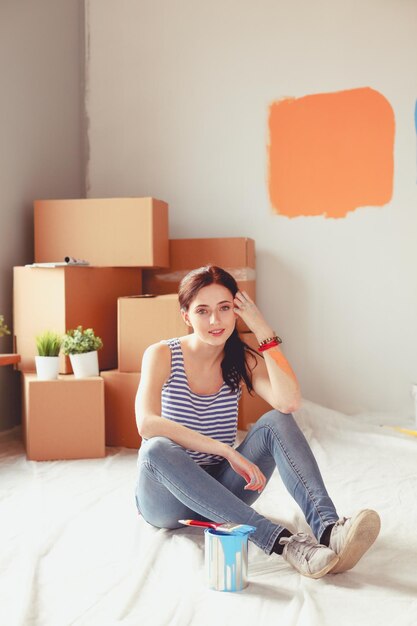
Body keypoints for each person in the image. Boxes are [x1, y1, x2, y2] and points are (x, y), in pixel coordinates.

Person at [134, 265, 380, 578]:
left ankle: (328, 529)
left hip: (223, 489)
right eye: (203, 311)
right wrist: (226, 451)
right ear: (186, 316)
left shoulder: (241, 359)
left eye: (224, 309)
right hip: (167, 502)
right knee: (155, 449)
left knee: (277, 420)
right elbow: (147, 423)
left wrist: (262, 328)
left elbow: (288, 402)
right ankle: (282, 543)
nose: (215, 320)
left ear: (237, 311)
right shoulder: (161, 354)